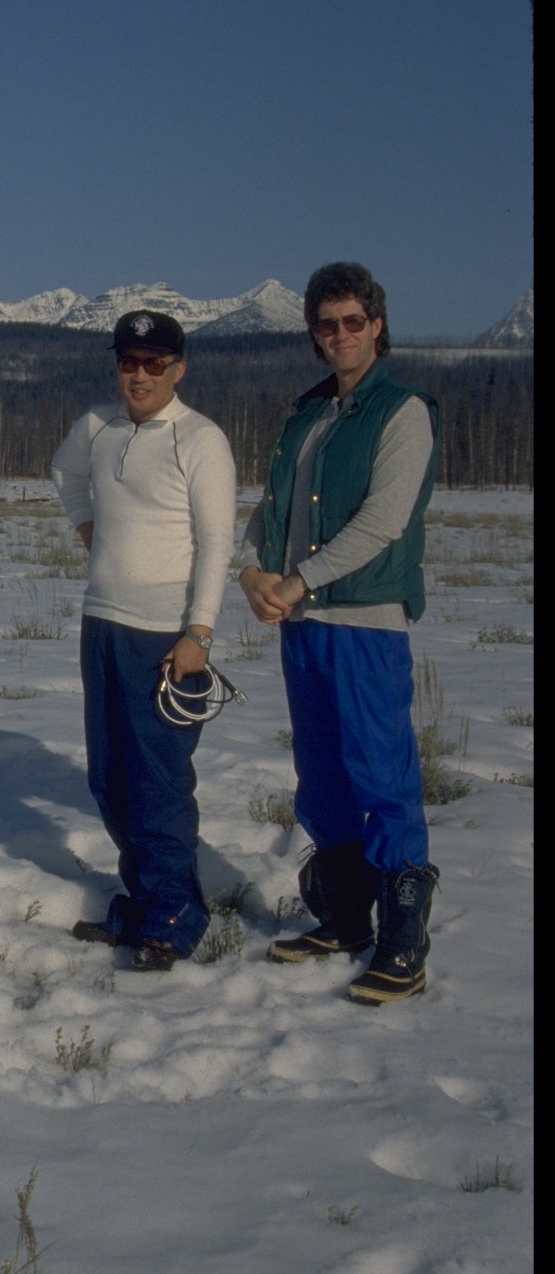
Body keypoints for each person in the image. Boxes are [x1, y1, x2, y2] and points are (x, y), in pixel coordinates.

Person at [241, 262, 440, 1004]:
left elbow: (383, 520)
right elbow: (275, 508)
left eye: (352, 321)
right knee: (321, 773)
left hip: (362, 619)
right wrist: (253, 568)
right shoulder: (307, 413)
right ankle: (343, 915)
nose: (339, 336)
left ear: (376, 325)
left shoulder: (401, 410)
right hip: (301, 623)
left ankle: (402, 935)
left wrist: (300, 578)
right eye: (325, 325)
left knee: (379, 772)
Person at [51, 310, 237, 970]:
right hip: (102, 623)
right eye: (128, 361)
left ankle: (174, 918)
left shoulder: (199, 439)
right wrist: (86, 527)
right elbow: (64, 472)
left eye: (153, 363)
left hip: (165, 637)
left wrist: (198, 632)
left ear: (177, 368)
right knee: (110, 777)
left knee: (158, 781)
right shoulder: (97, 427)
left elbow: (217, 542)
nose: (138, 374)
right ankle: (143, 901)